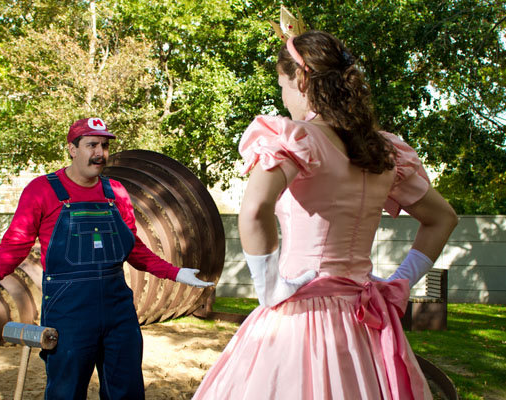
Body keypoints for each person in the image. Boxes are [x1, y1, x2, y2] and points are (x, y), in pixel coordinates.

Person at [192, 30, 458, 400]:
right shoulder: (382, 150)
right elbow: (443, 217)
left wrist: (269, 287)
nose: (284, 99)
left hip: (299, 320)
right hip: (364, 323)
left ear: (301, 80)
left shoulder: (298, 138)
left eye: (283, 85)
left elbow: (254, 208)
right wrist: (401, 282)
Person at [0, 117, 214, 400]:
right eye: (92, 145)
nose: (100, 153)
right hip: (69, 313)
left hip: (119, 312)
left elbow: (133, 249)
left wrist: (175, 273)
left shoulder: (116, 193)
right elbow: (15, 246)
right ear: (72, 149)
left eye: (105, 146)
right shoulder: (42, 190)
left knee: (127, 391)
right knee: (66, 392)